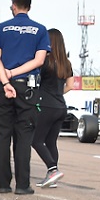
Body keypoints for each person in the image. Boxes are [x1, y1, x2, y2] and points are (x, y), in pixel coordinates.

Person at [0, 0, 50, 195]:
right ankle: (22, 185)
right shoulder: (40, 30)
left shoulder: (0, 28)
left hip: (3, 86)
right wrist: (15, 74)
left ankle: (3, 184)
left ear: (13, 5)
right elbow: (39, 60)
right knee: (24, 137)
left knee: (2, 136)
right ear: (29, 7)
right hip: (28, 88)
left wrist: (6, 80)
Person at [32, 28, 74, 186]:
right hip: (61, 106)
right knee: (51, 142)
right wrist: (57, 93)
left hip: (46, 105)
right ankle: (52, 177)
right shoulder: (66, 63)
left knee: (35, 140)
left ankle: (53, 169)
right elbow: (70, 85)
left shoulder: (46, 61)